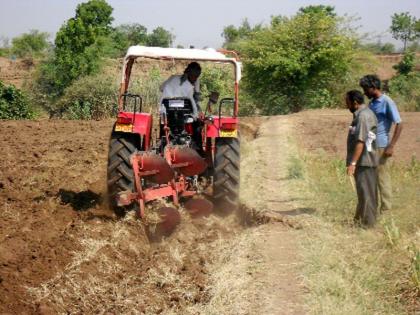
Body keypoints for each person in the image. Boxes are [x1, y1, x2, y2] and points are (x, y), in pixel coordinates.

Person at [359, 74, 403, 212]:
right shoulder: (372, 103)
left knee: (382, 178)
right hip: (370, 145)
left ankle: (386, 210)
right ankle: (373, 208)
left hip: (381, 146)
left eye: (366, 89)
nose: (364, 92)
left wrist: (391, 145)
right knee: (371, 177)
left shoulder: (387, 101)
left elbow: (399, 124)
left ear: (373, 87)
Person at [345, 90, 378, 227]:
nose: (346, 105)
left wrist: (353, 163)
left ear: (355, 102)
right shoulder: (361, 115)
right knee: (364, 193)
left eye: (347, 102)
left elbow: (361, 141)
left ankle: (368, 226)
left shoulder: (363, 116)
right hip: (363, 161)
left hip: (365, 162)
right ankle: (359, 221)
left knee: (367, 195)